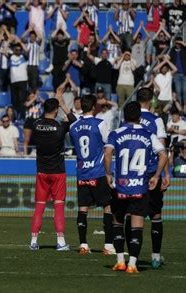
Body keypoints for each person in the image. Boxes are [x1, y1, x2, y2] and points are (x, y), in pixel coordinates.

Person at [104, 101, 167, 274]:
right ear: (140, 117)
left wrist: (108, 173)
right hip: (140, 186)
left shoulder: (116, 133)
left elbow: (107, 153)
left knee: (117, 221)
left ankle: (119, 261)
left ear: (124, 116)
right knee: (137, 224)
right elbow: (163, 154)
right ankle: (132, 264)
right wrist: (156, 176)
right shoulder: (148, 134)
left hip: (121, 186)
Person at [29, 88, 77, 251]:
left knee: (39, 206)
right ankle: (61, 242)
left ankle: (33, 242)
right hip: (58, 171)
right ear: (56, 110)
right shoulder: (60, 127)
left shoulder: (36, 125)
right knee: (58, 206)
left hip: (41, 171)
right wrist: (64, 105)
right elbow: (74, 122)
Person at [69, 94, 115, 255]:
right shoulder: (101, 124)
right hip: (98, 172)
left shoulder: (73, 126)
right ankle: (109, 246)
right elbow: (109, 145)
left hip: (82, 172)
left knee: (83, 208)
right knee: (108, 207)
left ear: (81, 106)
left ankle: (83, 245)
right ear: (94, 106)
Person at [135, 87, 171, 268]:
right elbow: (162, 149)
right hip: (151, 173)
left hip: (132, 174)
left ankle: (130, 254)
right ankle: (156, 256)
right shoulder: (156, 120)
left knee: (132, 213)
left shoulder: (128, 118)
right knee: (155, 214)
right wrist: (165, 173)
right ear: (151, 101)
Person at [7, 42, 29, 119]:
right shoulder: (11, 56)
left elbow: (27, 50)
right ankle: (15, 116)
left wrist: (20, 42)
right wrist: (9, 41)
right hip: (13, 81)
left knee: (22, 99)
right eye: (16, 49)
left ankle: (22, 116)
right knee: (14, 100)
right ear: (14, 50)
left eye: (20, 49)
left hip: (23, 80)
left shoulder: (24, 56)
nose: (18, 51)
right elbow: (3, 51)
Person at [153, 55, 178, 119]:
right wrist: (164, 61)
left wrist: (167, 61)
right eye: (162, 68)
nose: (164, 69)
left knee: (165, 114)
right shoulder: (157, 75)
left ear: (167, 68)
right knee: (158, 115)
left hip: (168, 99)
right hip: (158, 98)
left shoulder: (169, 74)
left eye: (165, 68)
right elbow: (154, 69)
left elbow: (175, 69)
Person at [170, 37, 186, 111]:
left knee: (185, 91)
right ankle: (180, 107)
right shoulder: (172, 51)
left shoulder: (184, 50)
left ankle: (185, 106)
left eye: (179, 43)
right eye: (176, 43)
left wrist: (182, 42)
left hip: (184, 74)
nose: (178, 44)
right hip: (176, 74)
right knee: (179, 91)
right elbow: (168, 58)